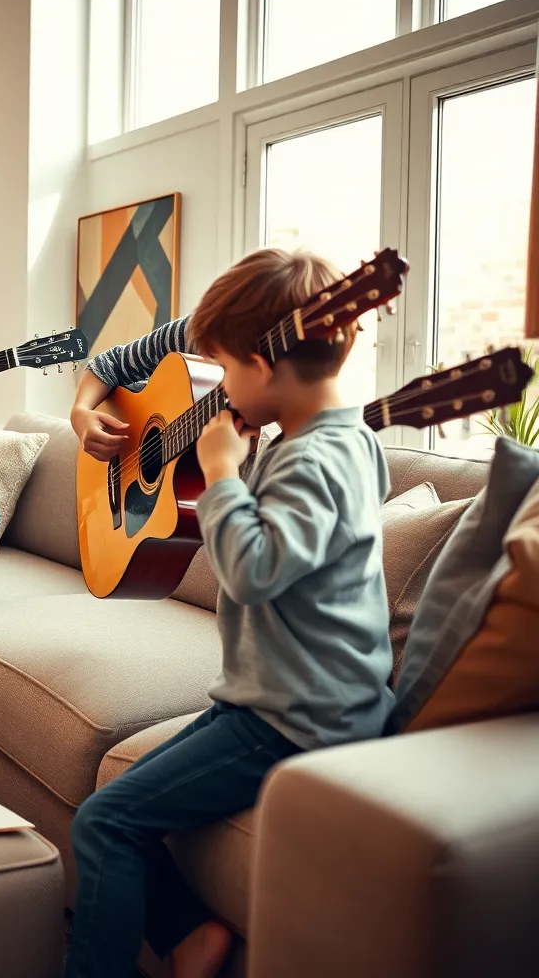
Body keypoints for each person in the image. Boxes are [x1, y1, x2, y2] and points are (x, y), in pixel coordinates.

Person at [64, 248, 394, 978]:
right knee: (117, 799)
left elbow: (252, 572)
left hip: (299, 718)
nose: (217, 389)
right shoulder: (334, 440)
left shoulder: (316, 459)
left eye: (223, 370)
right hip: (271, 699)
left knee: (105, 824)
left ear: (264, 362)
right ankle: (192, 938)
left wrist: (218, 474)